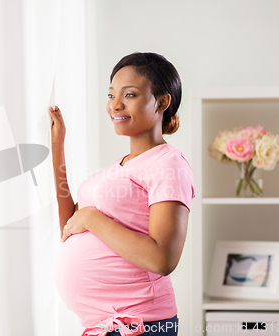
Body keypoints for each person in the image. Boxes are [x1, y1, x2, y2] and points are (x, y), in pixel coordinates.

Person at [48, 52, 195, 336]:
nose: (115, 105)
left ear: (162, 102)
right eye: (111, 94)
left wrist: (92, 219)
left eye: (130, 95)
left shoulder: (169, 163)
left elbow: (162, 260)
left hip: (140, 324)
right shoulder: (118, 167)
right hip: (105, 326)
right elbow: (68, 226)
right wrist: (57, 145)